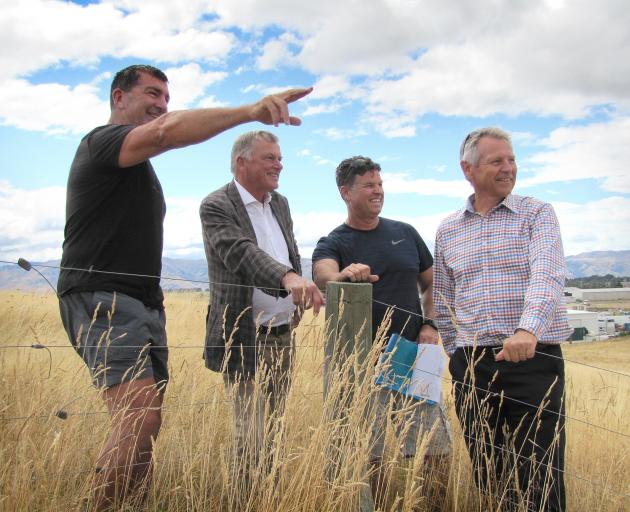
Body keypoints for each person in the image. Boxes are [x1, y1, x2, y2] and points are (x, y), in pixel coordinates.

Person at [57, 64, 312, 510]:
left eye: (167, 98)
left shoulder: (139, 171)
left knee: (146, 424)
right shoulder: (101, 143)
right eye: (152, 94)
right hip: (104, 298)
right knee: (138, 418)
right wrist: (249, 111)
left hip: (144, 305)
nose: (161, 105)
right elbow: (166, 135)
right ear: (119, 97)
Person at [433, 127, 572, 511]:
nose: (508, 168)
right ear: (469, 169)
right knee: (490, 475)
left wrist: (528, 329)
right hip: (474, 367)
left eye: (511, 160)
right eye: (497, 161)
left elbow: (548, 273)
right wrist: (457, 354)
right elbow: (444, 300)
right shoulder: (448, 229)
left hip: (532, 359)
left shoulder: (537, 214)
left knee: (540, 478)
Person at [312, 156, 452, 509]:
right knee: (371, 456)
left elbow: (433, 283)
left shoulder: (404, 233)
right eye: (368, 185)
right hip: (363, 363)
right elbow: (323, 275)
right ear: (346, 192)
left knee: (434, 449)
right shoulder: (334, 242)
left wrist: (431, 324)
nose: (378, 191)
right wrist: (343, 275)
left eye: (380, 184)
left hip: (412, 353)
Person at [199, 130, 324, 497]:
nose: (279, 164)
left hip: (283, 334)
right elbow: (239, 252)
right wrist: (287, 278)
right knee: (250, 436)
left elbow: (291, 250)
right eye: (269, 157)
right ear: (242, 162)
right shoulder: (217, 204)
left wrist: (297, 289)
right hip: (244, 337)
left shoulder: (280, 203)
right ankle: (246, 501)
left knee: (273, 430)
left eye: (279, 157)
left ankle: (267, 497)